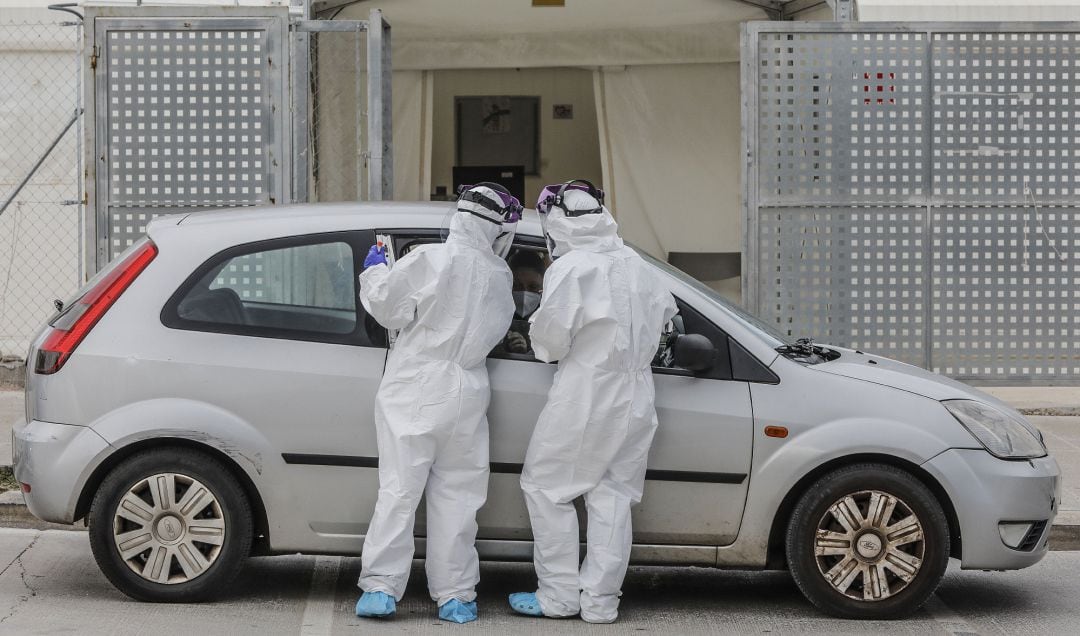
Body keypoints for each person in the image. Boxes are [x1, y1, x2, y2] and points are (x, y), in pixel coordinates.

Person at [508, 180, 677, 624]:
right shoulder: (637, 264)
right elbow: (665, 319)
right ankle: (601, 603)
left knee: (546, 488)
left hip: (588, 390)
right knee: (613, 497)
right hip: (638, 393)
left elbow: (548, 343)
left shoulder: (573, 266)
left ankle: (559, 597)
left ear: (558, 220)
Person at [354, 184, 520, 624]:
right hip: (467, 389)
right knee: (459, 496)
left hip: (415, 384)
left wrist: (373, 273)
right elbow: (498, 331)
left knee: (399, 490)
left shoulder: (430, 258)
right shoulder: (500, 276)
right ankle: (456, 594)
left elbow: (388, 310)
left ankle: (380, 588)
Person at [499, 249, 545, 354]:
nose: (525, 293)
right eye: (517, 286)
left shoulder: (550, 318)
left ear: (543, 286)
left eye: (533, 287)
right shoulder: (495, 314)